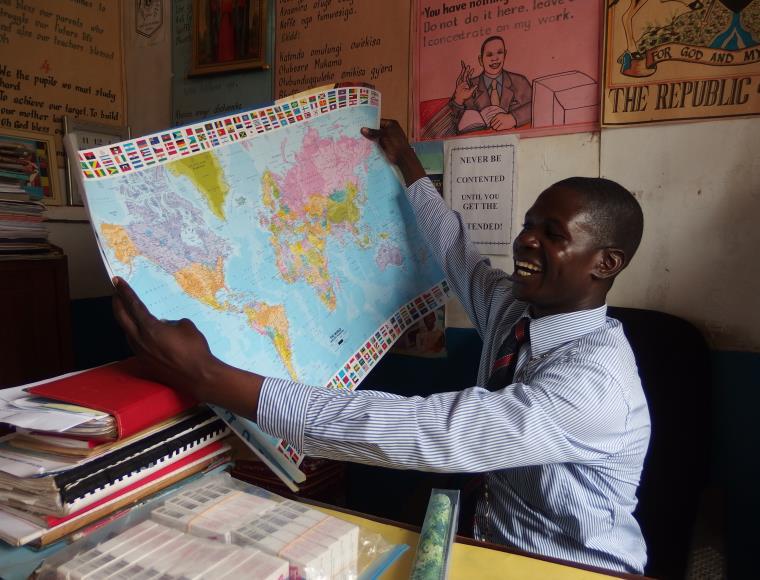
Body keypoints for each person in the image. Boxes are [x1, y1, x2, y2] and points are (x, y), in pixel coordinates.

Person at [112, 119, 650, 574]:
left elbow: (432, 432)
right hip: (489, 545)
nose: (526, 241)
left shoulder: (595, 384)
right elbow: (457, 252)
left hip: (574, 568)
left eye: (552, 234)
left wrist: (210, 377)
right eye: (529, 225)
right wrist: (410, 167)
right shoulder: (517, 309)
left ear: (606, 262)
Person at [449, 35, 532, 132]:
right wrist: (458, 100)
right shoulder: (469, 85)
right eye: (489, 54)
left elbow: (536, 106)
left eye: (499, 53)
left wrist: (513, 118)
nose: (495, 58)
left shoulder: (520, 81)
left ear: (505, 55)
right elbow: (451, 124)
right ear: (480, 60)